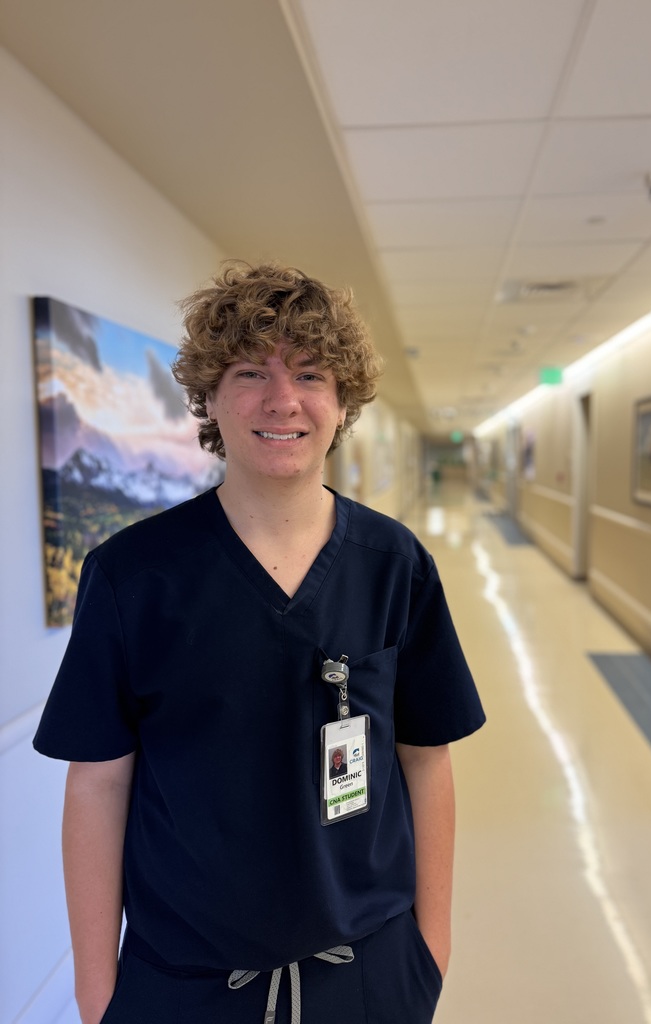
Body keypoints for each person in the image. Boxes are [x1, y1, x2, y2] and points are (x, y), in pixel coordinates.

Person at [34, 261, 485, 1024]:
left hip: (367, 976)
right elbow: (99, 784)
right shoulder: (133, 576)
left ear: (343, 403)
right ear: (210, 396)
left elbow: (426, 759)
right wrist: (96, 990)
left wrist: (428, 953)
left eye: (310, 373)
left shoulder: (393, 565)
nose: (283, 400)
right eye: (251, 371)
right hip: (183, 985)